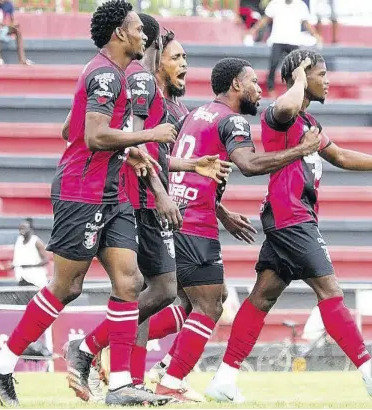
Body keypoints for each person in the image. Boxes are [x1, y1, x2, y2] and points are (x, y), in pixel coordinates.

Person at [0, 1, 180, 406]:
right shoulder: (105, 74)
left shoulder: (117, 76)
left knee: (129, 282)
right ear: (119, 34)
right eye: (138, 29)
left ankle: (121, 385)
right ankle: (0, 365)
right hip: (81, 192)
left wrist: (131, 149)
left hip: (113, 192)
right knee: (66, 286)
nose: (145, 35)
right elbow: (92, 137)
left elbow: (70, 126)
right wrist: (148, 136)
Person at [204, 49, 372, 403]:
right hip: (292, 217)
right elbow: (287, 107)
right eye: (321, 74)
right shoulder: (280, 113)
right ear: (304, 78)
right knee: (330, 290)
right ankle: (370, 373)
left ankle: (224, 378)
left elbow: (339, 156)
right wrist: (297, 78)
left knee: (262, 297)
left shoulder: (308, 124)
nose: (328, 81)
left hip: (288, 217)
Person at [72, 19, 235, 402]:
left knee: (169, 294)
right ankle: (123, 371)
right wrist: (161, 193)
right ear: (158, 54)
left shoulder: (170, 103)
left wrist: (196, 172)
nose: (184, 64)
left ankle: (130, 371)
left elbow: (156, 154)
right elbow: (137, 150)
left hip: (155, 200)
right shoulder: (141, 84)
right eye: (176, 54)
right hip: (140, 200)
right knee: (156, 292)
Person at [152, 57, 321, 402]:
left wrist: (222, 212)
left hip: (180, 215)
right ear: (236, 86)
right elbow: (248, 164)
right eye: (254, 83)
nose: (260, 90)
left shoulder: (194, 115)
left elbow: (185, 169)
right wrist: (300, 150)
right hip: (194, 224)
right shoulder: (232, 121)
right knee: (210, 306)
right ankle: (168, 378)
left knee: (189, 301)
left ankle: (152, 360)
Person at [246, 0, 322, 98]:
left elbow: (306, 23)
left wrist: (315, 34)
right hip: (278, 40)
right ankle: (270, 88)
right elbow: (265, 19)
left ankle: (297, 89)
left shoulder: (300, 5)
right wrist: (253, 30)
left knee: (296, 67)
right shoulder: (275, 3)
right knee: (273, 64)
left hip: (293, 41)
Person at [0, 218, 49, 288]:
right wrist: (4, 267)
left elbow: (46, 260)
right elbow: (17, 263)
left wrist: (28, 266)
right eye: (20, 229)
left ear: (30, 229)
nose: (21, 231)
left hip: (36, 281)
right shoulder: (19, 240)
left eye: (24, 228)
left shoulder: (37, 242)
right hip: (22, 279)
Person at [0, 0, 32, 65]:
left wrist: (14, 24)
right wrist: (3, 24)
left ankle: (22, 59)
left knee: (17, 30)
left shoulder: (9, 4)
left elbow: (12, 19)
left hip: (1, 27)